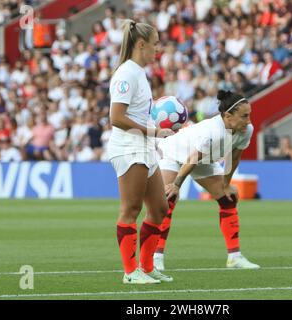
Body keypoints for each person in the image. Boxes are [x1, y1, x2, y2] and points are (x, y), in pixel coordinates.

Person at [154, 90, 260, 271]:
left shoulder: (245, 130)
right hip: (174, 153)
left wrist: (226, 185)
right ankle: (156, 258)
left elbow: (234, 158)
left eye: (249, 115)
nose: (249, 120)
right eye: (244, 116)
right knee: (168, 199)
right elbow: (191, 159)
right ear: (228, 116)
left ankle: (234, 258)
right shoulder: (213, 132)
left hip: (202, 159)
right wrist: (177, 185)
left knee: (228, 198)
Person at [107, 20, 174, 284]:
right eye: (155, 43)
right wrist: (153, 133)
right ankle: (130, 272)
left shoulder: (139, 73)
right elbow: (117, 117)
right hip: (128, 147)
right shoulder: (125, 74)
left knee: (159, 207)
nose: (158, 49)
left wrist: (152, 134)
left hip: (144, 145)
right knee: (131, 209)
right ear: (141, 44)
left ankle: (146, 267)